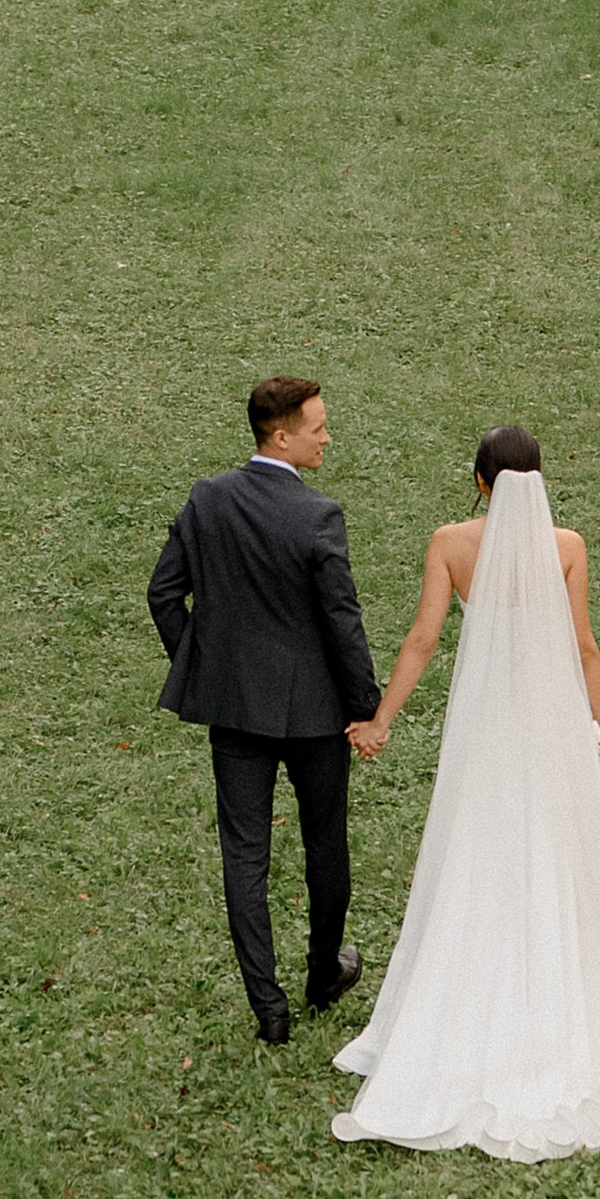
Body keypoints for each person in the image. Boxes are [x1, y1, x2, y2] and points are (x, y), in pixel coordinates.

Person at [330, 427, 600, 1159]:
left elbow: (422, 640)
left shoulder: (450, 544)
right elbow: (585, 647)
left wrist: (380, 720)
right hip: (550, 725)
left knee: (479, 846)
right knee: (557, 846)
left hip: (485, 727)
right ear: (539, 479)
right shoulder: (566, 546)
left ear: (480, 482)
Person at [149, 377, 381, 1045]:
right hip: (317, 715)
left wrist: (206, 670)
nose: (327, 438)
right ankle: (323, 973)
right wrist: (366, 707)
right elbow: (342, 622)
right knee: (325, 842)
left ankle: (268, 1009)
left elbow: (164, 595)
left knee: (243, 855)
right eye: (318, 428)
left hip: (235, 713)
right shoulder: (318, 516)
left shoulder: (208, 499)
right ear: (282, 437)